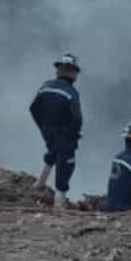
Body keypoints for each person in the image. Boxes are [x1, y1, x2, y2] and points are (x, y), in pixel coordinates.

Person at [29, 53, 83, 208]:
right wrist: (72, 134)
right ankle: (60, 201)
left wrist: (42, 127)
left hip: (48, 130)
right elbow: (77, 119)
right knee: (66, 163)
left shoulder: (45, 86)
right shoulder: (71, 92)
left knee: (52, 152)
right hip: (64, 133)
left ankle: (39, 184)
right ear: (72, 72)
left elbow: (33, 108)